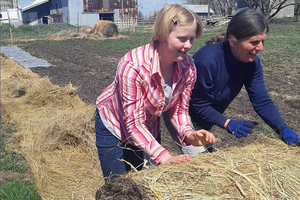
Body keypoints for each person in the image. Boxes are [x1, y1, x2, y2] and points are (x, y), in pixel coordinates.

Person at [95, 4, 217, 180]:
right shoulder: (133, 66)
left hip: (146, 124)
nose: (188, 45)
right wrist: (164, 156)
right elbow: (133, 124)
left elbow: (179, 111)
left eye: (192, 39)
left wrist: (190, 134)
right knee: (117, 184)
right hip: (113, 124)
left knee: (139, 179)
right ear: (162, 34)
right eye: (182, 39)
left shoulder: (188, 67)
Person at [163, 8, 299, 156]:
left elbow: (262, 101)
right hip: (183, 115)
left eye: (262, 41)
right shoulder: (207, 61)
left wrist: (282, 127)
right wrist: (227, 123)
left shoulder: (251, 63)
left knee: (208, 158)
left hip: (205, 117)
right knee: (203, 165)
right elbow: (197, 105)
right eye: (254, 42)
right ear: (233, 40)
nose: (260, 48)